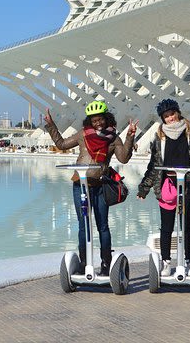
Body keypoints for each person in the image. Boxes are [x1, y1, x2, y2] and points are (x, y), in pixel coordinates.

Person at [44, 101, 137, 276]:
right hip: (80, 186)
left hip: (100, 186)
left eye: (100, 119)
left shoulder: (113, 138)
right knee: (83, 225)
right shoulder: (83, 135)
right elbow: (62, 144)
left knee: (103, 226)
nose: (98, 123)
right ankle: (84, 263)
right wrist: (51, 125)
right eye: (94, 121)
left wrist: (130, 137)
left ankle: (105, 264)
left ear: (106, 119)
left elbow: (123, 158)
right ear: (90, 122)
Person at [137, 99, 190, 277]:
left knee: (187, 227)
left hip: (188, 185)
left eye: (172, 114)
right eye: (166, 116)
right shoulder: (159, 138)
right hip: (167, 186)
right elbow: (154, 165)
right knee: (166, 227)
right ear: (163, 118)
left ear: (178, 113)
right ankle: (166, 262)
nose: (170, 119)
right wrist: (144, 187)